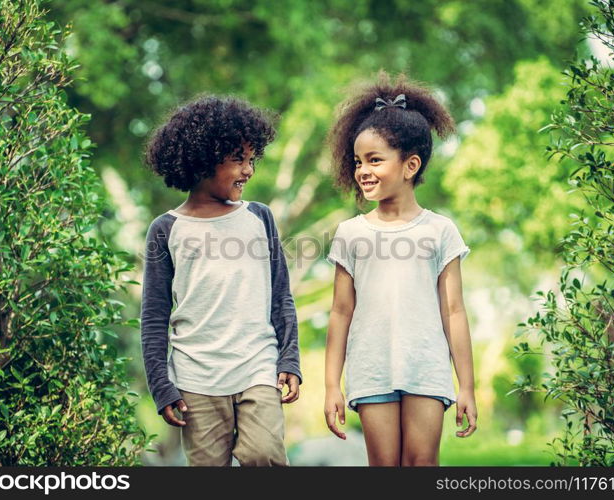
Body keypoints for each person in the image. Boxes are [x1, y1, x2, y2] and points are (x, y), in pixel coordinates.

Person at [323, 72, 478, 466]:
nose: (363, 170)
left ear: (410, 165)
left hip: (426, 365)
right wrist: (330, 386)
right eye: (358, 161)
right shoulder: (350, 233)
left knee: (421, 466)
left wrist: (468, 387)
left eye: (375, 160)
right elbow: (341, 312)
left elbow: (454, 311)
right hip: (370, 368)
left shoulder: (440, 230)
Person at [140, 95, 301, 466]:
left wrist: (289, 359)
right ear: (202, 159)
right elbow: (154, 317)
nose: (249, 170)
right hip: (195, 377)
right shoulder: (166, 229)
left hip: (256, 366)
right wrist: (161, 386)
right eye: (238, 160)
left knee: (265, 455)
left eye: (251, 159)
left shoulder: (259, 218)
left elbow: (281, 297)